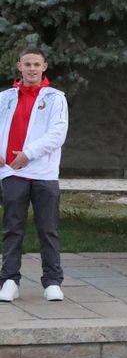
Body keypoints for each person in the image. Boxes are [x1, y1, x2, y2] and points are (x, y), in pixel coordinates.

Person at [0, 48, 69, 302]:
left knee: (48, 229)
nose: (32, 69)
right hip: (12, 172)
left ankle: (52, 281)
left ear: (44, 67)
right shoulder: (5, 97)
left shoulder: (55, 98)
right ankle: (9, 280)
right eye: (27, 64)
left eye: (36, 64)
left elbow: (57, 134)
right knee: (12, 228)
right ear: (19, 66)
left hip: (43, 173)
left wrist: (28, 154)